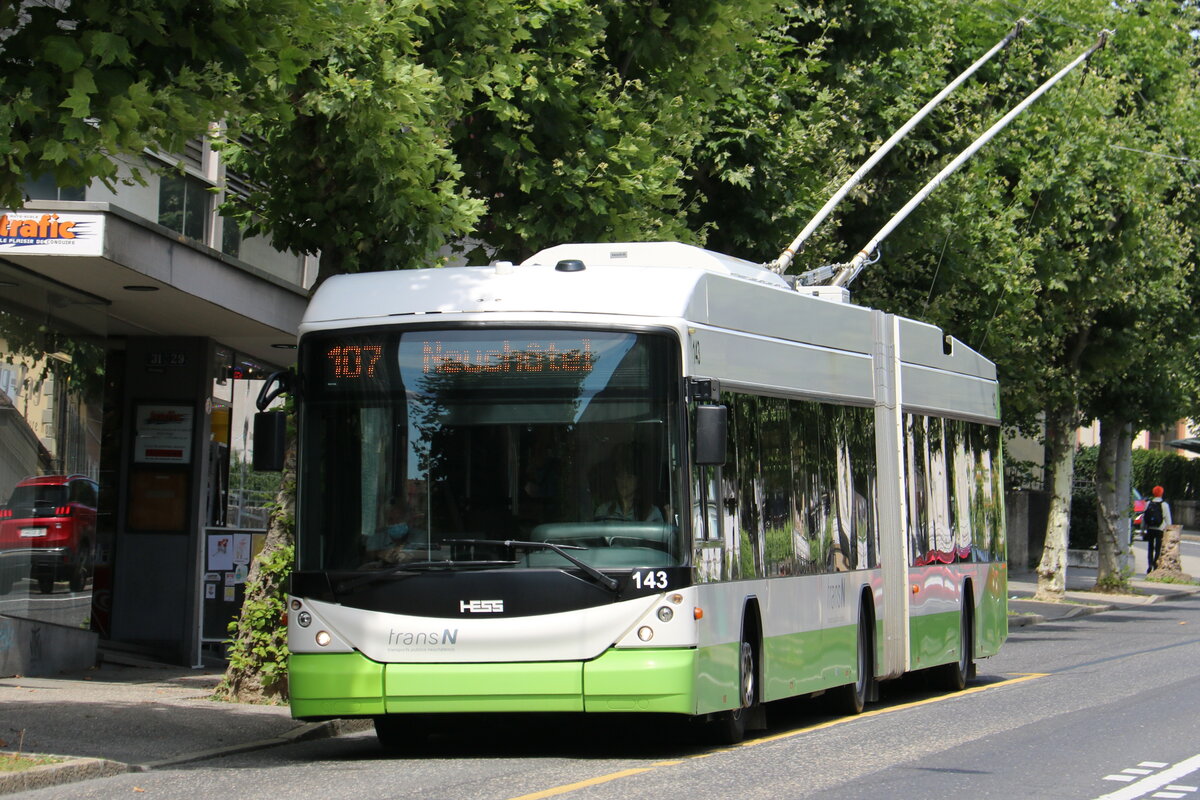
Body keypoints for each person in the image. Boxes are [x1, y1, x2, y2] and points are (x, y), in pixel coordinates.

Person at [594, 460, 663, 523]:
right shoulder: (603, 511)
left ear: (638, 482)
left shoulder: (652, 513)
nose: (624, 481)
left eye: (629, 477)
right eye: (620, 476)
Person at [1140, 485, 1171, 573]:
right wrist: (1168, 531)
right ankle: (1155, 563)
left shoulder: (1148, 503)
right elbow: (1168, 520)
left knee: (1150, 547)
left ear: (1153, 493)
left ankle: (1149, 564)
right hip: (1160, 529)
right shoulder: (1164, 505)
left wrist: (1142, 530)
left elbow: (1143, 517)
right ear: (1162, 493)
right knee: (1158, 548)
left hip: (1150, 529)